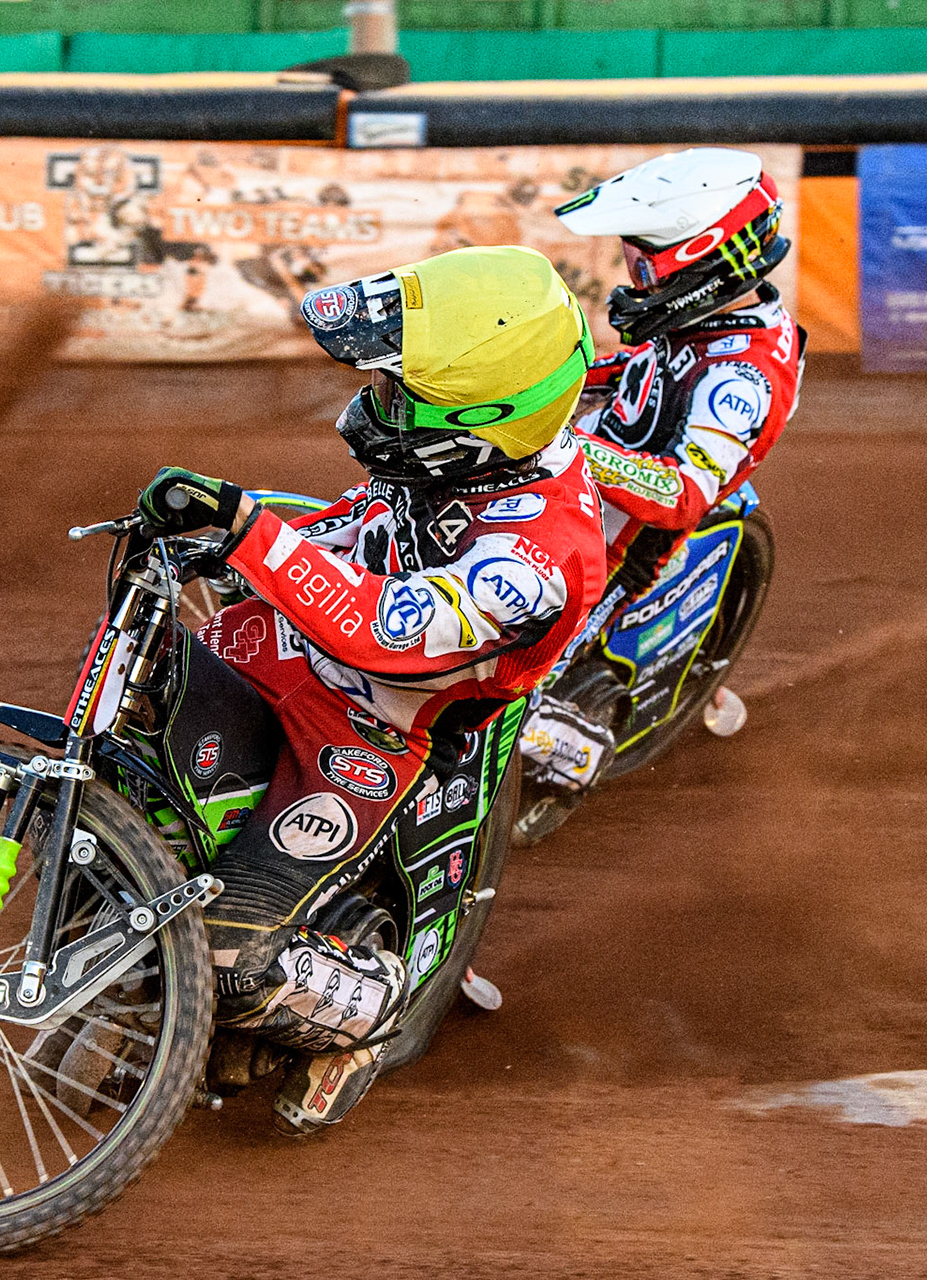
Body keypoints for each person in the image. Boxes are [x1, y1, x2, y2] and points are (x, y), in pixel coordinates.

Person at [132, 244, 607, 1134]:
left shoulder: (540, 557)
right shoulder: (468, 464)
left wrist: (248, 532)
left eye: (399, 391)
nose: (377, 402)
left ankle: (369, 1012)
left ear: (483, 417)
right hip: (285, 656)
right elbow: (357, 525)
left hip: (368, 734)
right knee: (136, 731)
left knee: (229, 962)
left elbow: (381, 634)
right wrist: (222, 529)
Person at [513, 147, 807, 799]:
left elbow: (681, 492)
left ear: (706, 259)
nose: (636, 277)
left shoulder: (741, 378)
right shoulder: (707, 322)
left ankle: (571, 746)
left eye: (649, 262)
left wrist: (562, 445)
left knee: (478, 695)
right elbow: (634, 372)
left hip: (606, 552)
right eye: (634, 259)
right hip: (563, 492)